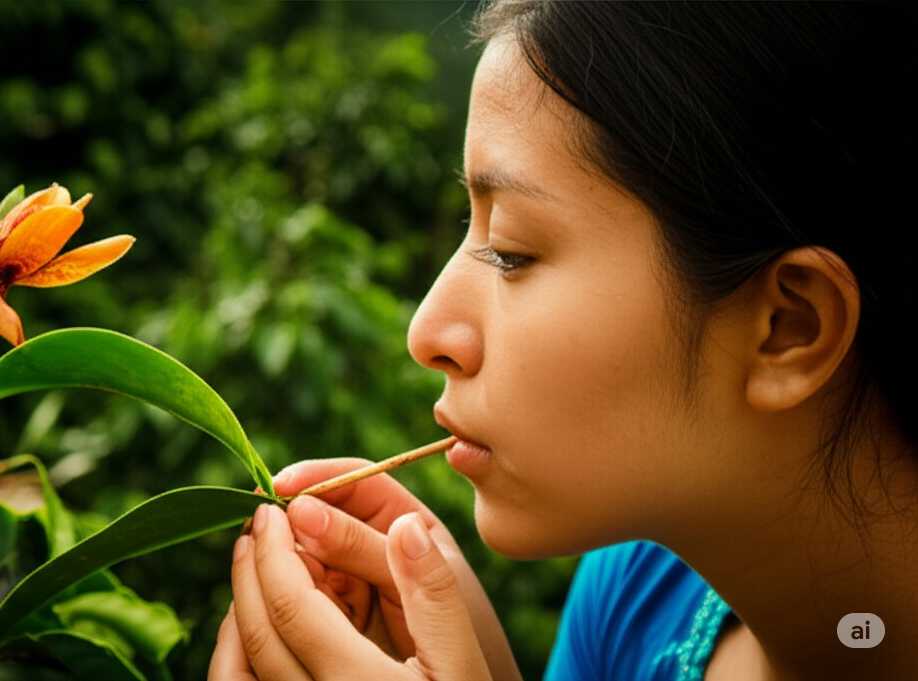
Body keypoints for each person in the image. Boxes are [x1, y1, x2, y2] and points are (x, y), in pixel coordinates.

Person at [209, 2, 917, 679]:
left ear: (789, 327)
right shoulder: (629, 595)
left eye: (512, 250)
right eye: (471, 226)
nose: (427, 333)